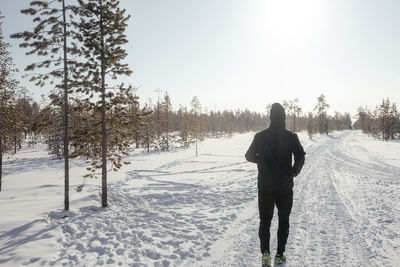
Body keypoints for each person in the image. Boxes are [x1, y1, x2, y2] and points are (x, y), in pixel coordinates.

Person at [245, 103, 305, 267]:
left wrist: (262, 161)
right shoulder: (291, 137)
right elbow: (301, 156)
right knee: (283, 220)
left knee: (265, 221)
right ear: (284, 117)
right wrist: (295, 170)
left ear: (270, 117)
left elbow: (249, 156)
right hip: (285, 186)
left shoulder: (260, 136)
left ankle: (265, 256)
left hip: (265, 187)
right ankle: (279, 255)